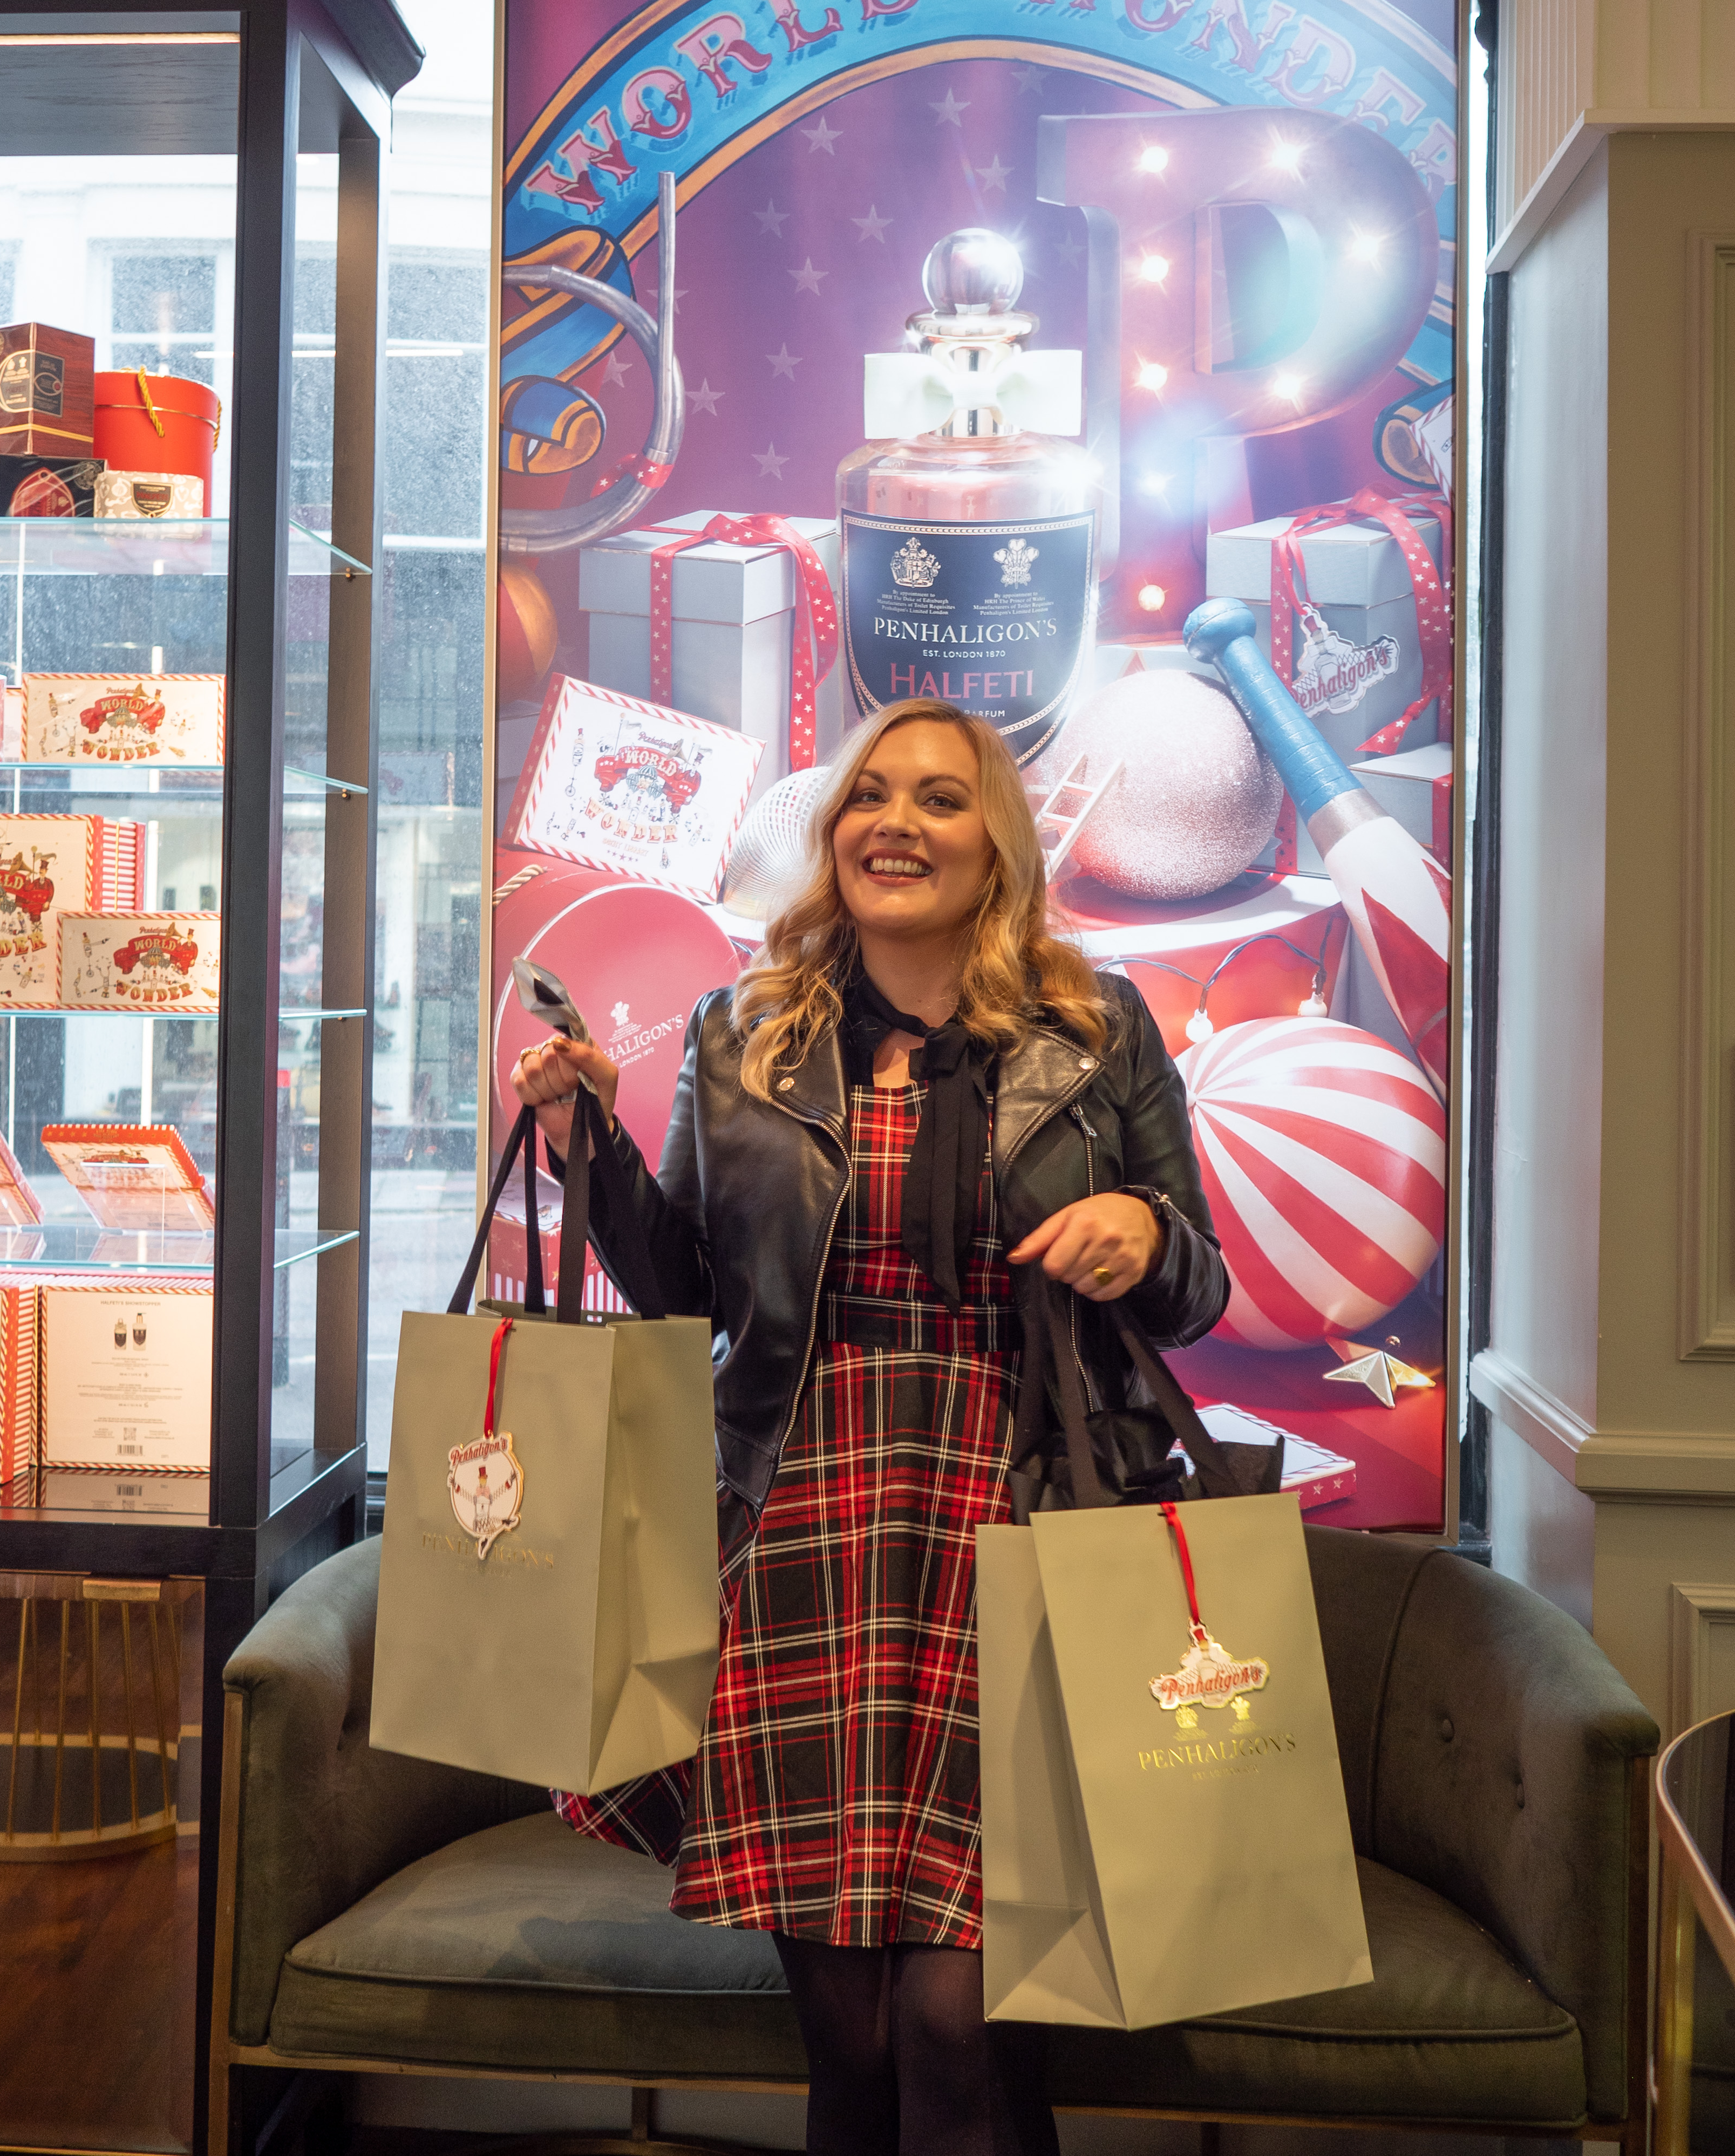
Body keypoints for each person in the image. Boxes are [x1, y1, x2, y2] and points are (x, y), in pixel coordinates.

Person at [510, 698, 1229, 2156]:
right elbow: (687, 1291)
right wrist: (590, 1143)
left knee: (958, 2026)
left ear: (998, 847)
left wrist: (1136, 1231)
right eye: (870, 796)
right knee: (845, 2044)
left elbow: (1195, 1290)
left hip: (1019, 1522)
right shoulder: (742, 1034)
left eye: (941, 799)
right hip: (800, 1520)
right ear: (832, 833)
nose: (895, 822)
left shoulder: (1096, 1030)